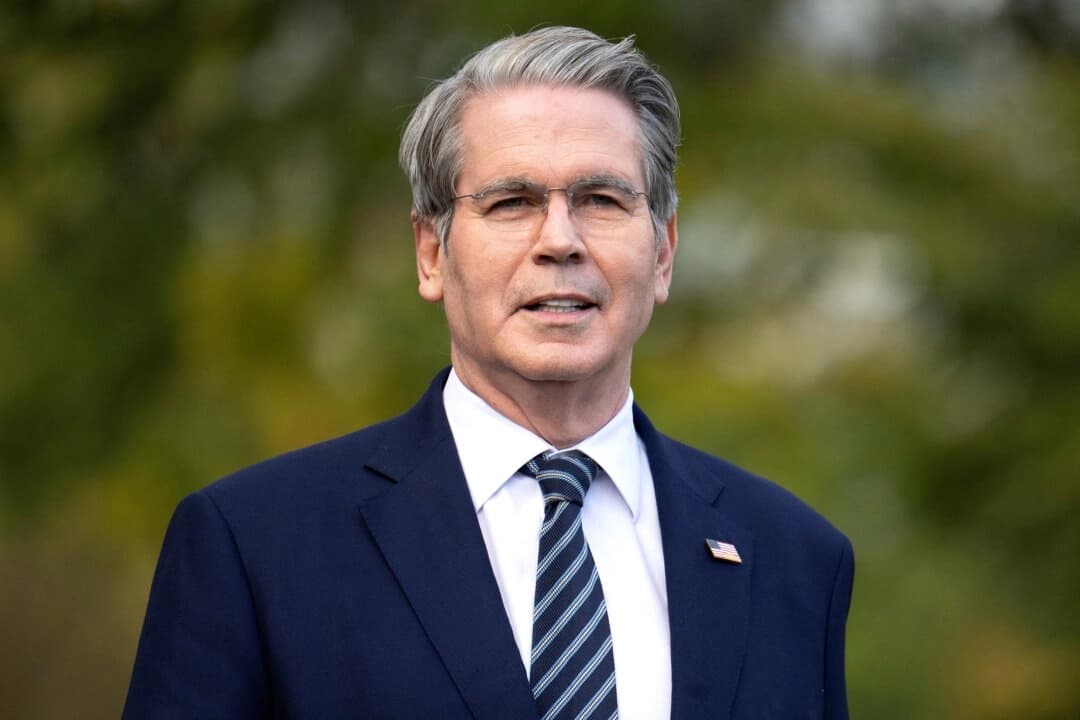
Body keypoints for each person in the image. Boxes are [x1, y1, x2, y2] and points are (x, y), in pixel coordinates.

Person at [123, 26, 853, 719]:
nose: (560, 240)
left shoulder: (794, 561)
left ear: (662, 252)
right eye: (511, 202)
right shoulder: (255, 546)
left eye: (601, 200)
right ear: (431, 253)